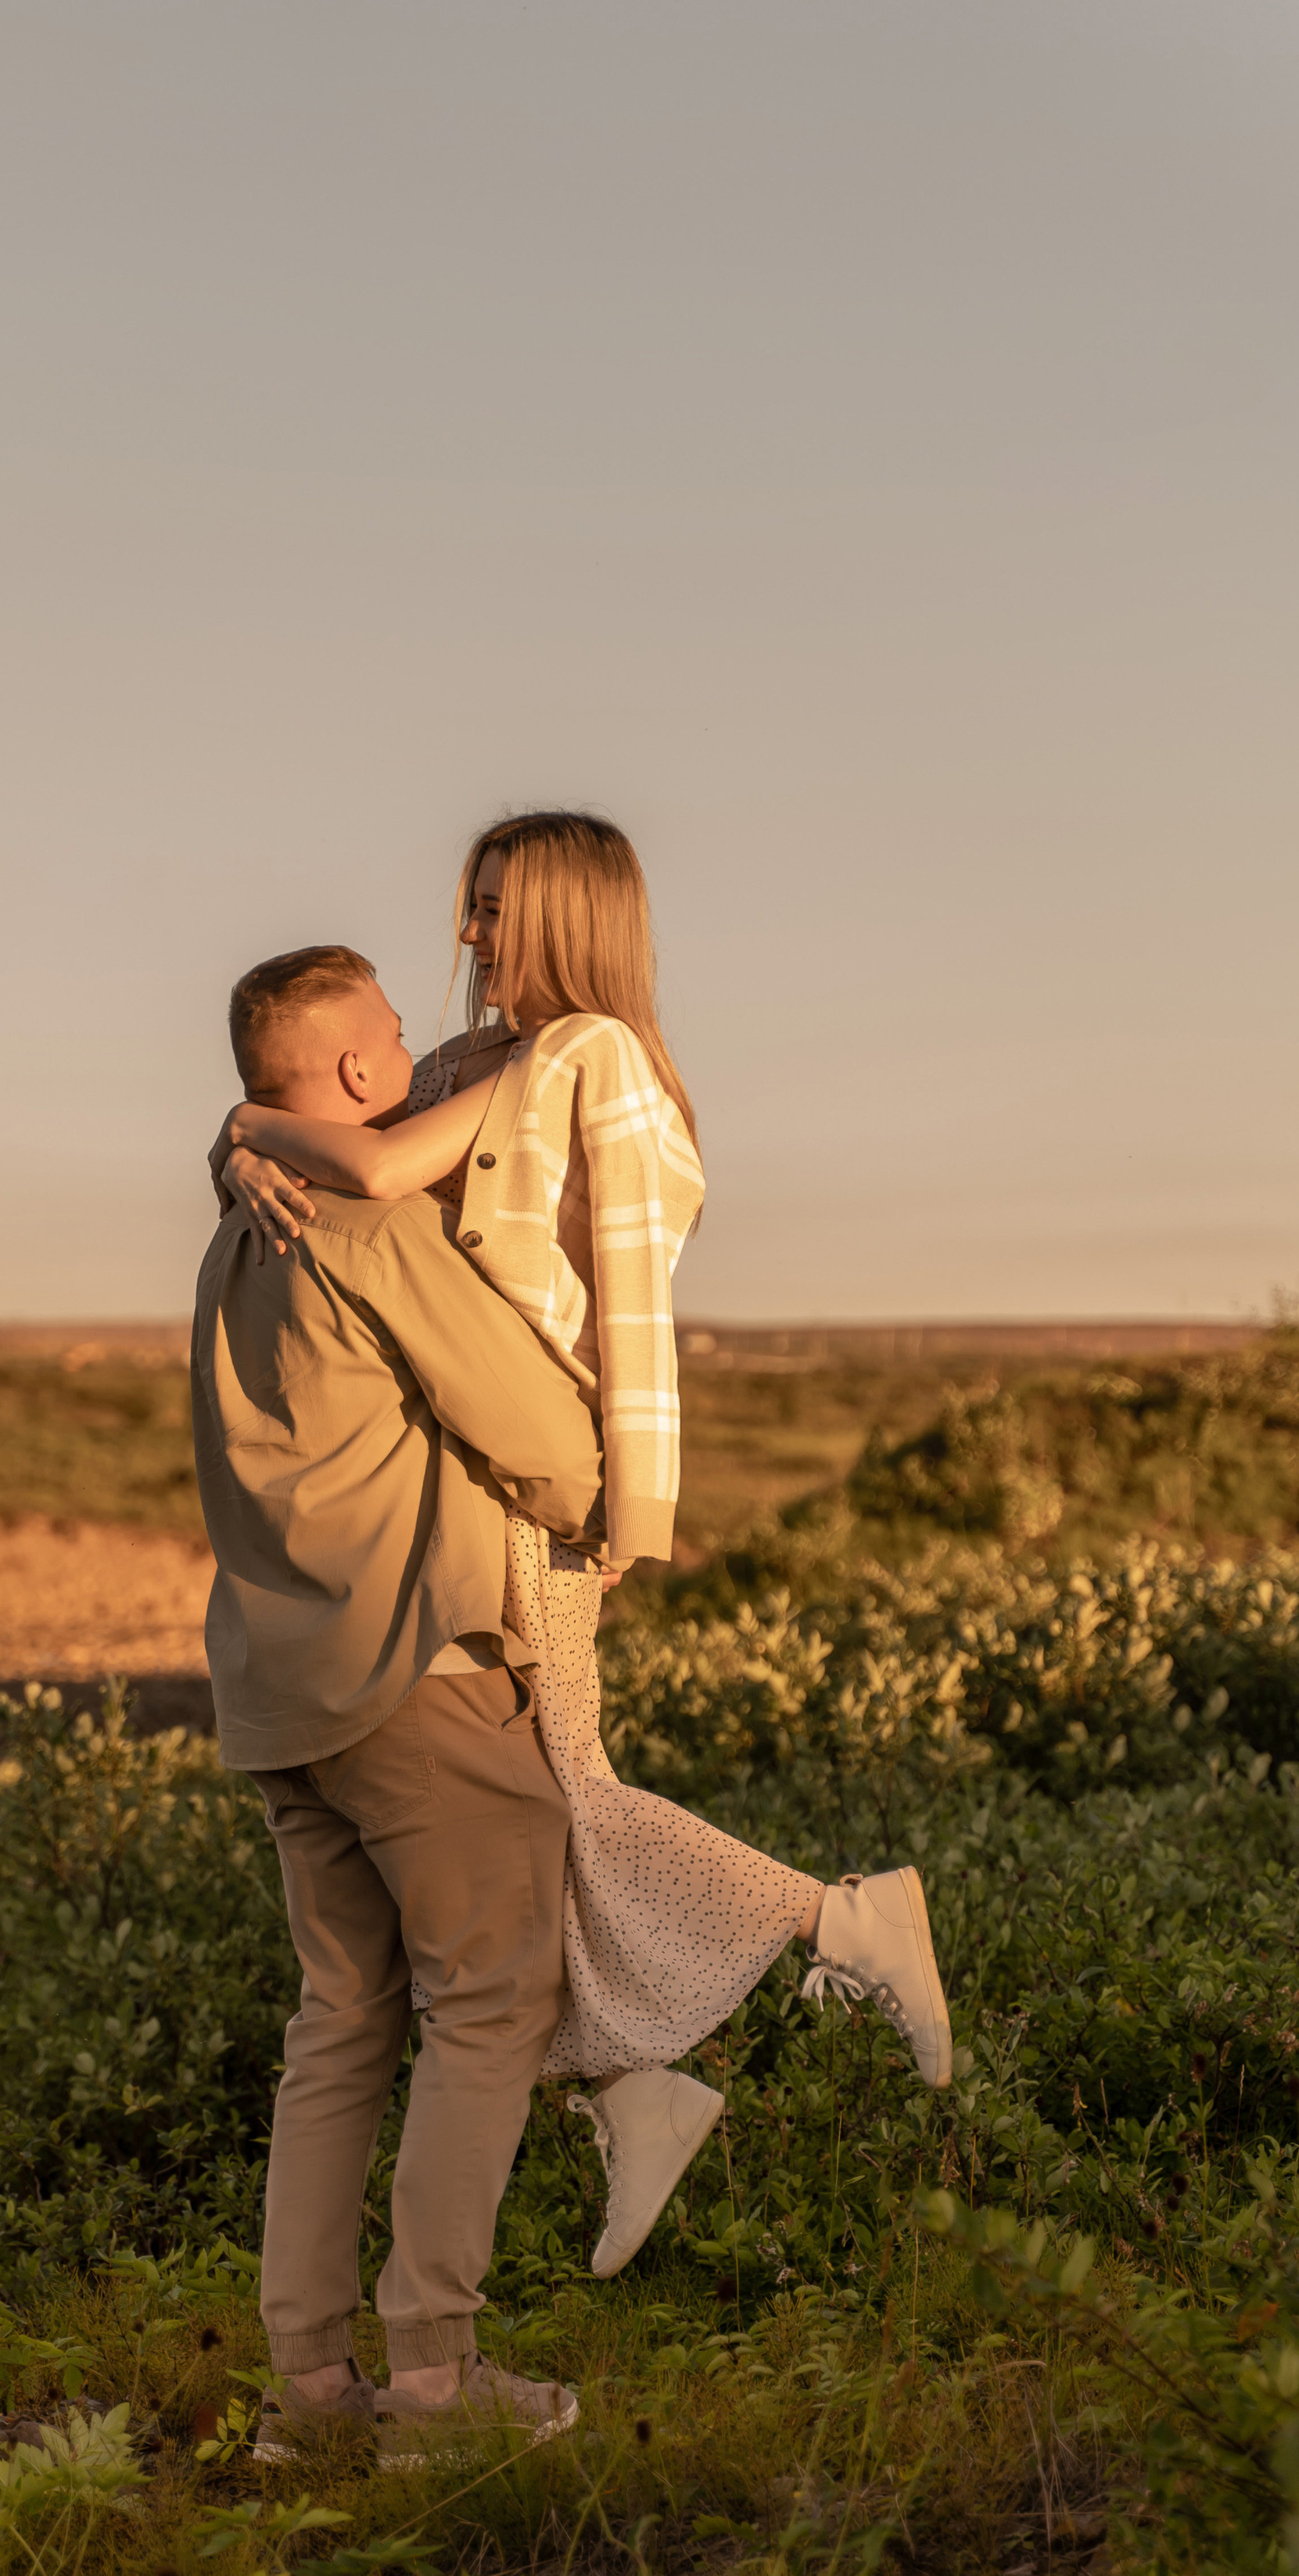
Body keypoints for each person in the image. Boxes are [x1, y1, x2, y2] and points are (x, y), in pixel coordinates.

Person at [214, 814, 953, 2280]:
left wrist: (633, 1508)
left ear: (565, 913)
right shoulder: (474, 1065)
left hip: (537, 1484)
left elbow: (625, 1293)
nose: (469, 934)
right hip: (470, 1484)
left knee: (560, 1804)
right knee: (536, 1820)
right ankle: (637, 2095)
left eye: (494, 909)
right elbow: (334, 1130)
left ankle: (841, 1923)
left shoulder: (590, 1057)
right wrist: (240, 1135)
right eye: (470, 905)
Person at [192, 939, 612, 2468]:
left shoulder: (234, 1238)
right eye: (393, 1038)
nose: (415, 1052)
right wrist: (604, 1508)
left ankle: (308, 2397)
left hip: (277, 1689)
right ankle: (433, 2384)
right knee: (488, 2010)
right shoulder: (369, 1230)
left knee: (340, 2027)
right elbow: (540, 1432)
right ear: (360, 1077)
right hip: (416, 1680)